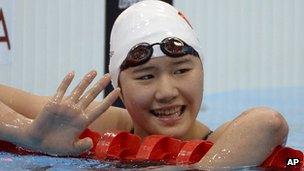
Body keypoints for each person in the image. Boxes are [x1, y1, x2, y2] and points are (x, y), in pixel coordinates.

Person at [0, 0, 288, 169]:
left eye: (181, 70)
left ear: (202, 71)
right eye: (146, 76)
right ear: (119, 87)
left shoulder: (215, 143)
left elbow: (268, 122)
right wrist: (26, 135)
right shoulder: (101, 123)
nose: (166, 92)